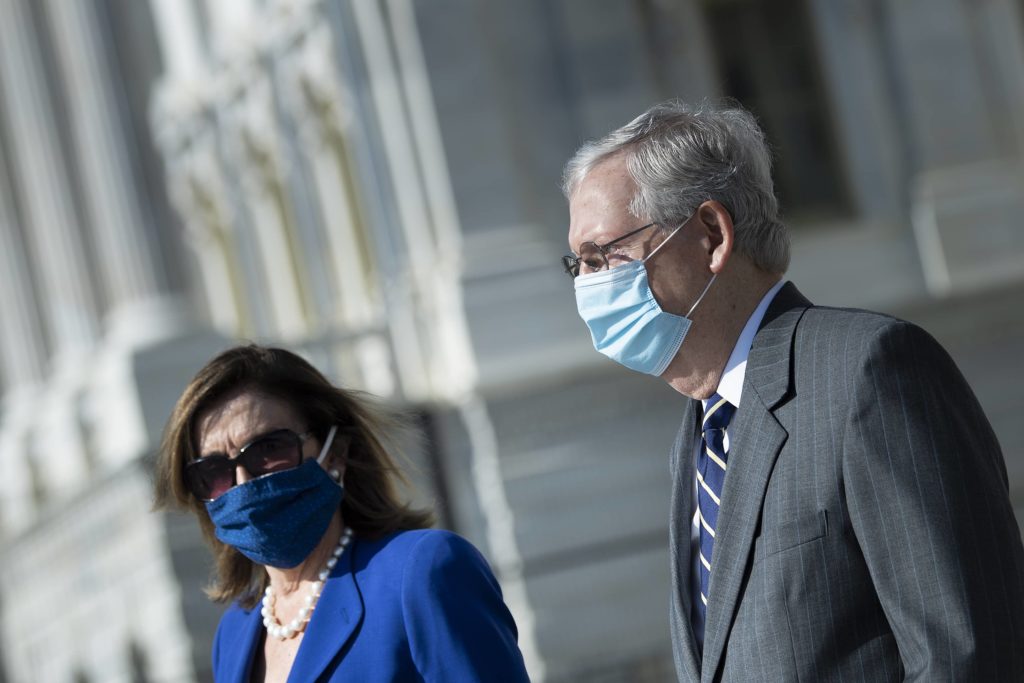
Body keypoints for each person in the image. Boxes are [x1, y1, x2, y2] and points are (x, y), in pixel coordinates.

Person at [561, 100, 1024, 681]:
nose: (590, 284)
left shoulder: (867, 372)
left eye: (607, 255)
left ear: (710, 235)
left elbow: (969, 654)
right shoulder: (701, 437)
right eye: (579, 264)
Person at [154, 344, 530, 682]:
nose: (243, 482)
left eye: (269, 449)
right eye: (213, 471)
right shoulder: (235, 633)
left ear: (335, 454)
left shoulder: (421, 572)